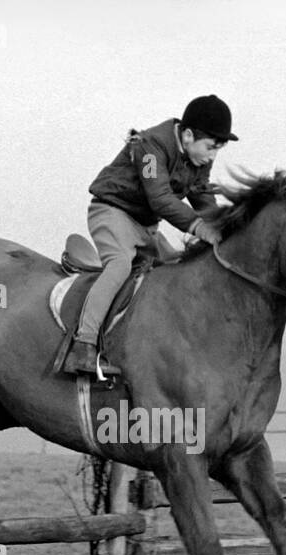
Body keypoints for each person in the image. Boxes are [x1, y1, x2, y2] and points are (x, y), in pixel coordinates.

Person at [63, 94, 238, 377]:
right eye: (210, 147)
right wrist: (198, 227)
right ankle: (83, 344)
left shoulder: (198, 158)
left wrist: (222, 228)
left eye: (218, 149)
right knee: (119, 266)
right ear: (189, 135)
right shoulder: (149, 146)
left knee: (178, 269)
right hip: (112, 213)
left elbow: (202, 198)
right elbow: (160, 200)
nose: (212, 156)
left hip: (145, 228)